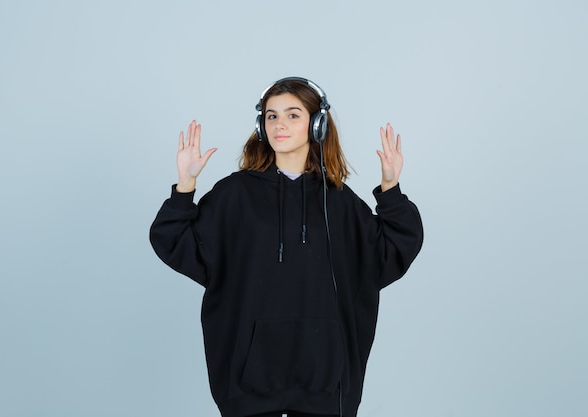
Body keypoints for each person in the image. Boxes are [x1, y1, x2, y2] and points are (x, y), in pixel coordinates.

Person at [149, 77, 424, 417]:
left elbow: (388, 253)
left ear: (318, 124)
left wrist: (391, 188)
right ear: (261, 125)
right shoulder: (234, 195)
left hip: (326, 390)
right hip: (248, 389)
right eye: (271, 116)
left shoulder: (338, 201)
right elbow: (173, 240)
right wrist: (185, 185)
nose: (280, 125)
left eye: (293, 115)